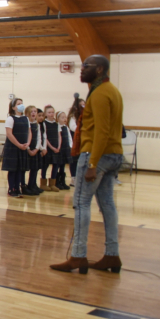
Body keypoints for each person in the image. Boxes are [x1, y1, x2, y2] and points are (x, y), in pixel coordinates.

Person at [51, 55, 124, 274]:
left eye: (86, 66)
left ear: (100, 69)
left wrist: (92, 163)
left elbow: (101, 130)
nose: (81, 69)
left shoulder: (100, 93)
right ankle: (112, 254)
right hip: (113, 154)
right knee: (108, 204)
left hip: (97, 155)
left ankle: (78, 256)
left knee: (81, 203)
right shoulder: (112, 90)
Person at [2, 97, 31, 198]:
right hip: (13, 147)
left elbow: (29, 132)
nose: (21, 105)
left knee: (20, 169)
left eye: (22, 103)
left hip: (23, 147)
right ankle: (11, 188)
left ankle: (17, 188)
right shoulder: (10, 118)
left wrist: (27, 143)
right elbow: (9, 134)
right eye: (19, 103)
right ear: (13, 107)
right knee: (13, 169)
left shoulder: (26, 118)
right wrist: (19, 145)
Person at [40, 105, 61, 192]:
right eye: (49, 112)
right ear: (45, 114)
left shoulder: (57, 124)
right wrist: (51, 147)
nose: (51, 114)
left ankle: (52, 183)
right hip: (48, 148)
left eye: (52, 112)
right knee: (45, 165)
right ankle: (43, 183)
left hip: (56, 147)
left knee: (56, 165)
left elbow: (59, 136)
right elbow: (45, 137)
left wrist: (58, 146)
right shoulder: (44, 123)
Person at [56, 111, 73, 190]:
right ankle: (56, 182)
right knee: (58, 165)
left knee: (63, 166)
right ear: (58, 119)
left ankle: (63, 181)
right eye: (62, 117)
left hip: (66, 149)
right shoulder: (57, 127)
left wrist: (71, 146)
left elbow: (69, 138)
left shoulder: (66, 127)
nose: (64, 119)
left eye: (65, 117)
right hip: (60, 149)